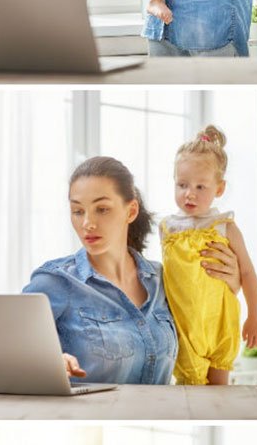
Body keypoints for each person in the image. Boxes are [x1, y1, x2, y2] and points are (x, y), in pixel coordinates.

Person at [22, 155, 241, 386]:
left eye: (102, 209)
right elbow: (4, 349)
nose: (87, 223)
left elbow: (206, 339)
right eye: (78, 211)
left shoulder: (162, 281)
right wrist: (48, 362)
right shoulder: (56, 282)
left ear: (131, 210)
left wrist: (227, 289)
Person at [160, 125, 257, 386]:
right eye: (182, 184)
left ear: (219, 189)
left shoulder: (225, 227)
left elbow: (248, 273)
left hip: (220, 325)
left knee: (220, 395)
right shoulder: (167, 228)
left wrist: (256, 317)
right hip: (185, 330)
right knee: (190, 393)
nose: (189, 193)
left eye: (200, 186)